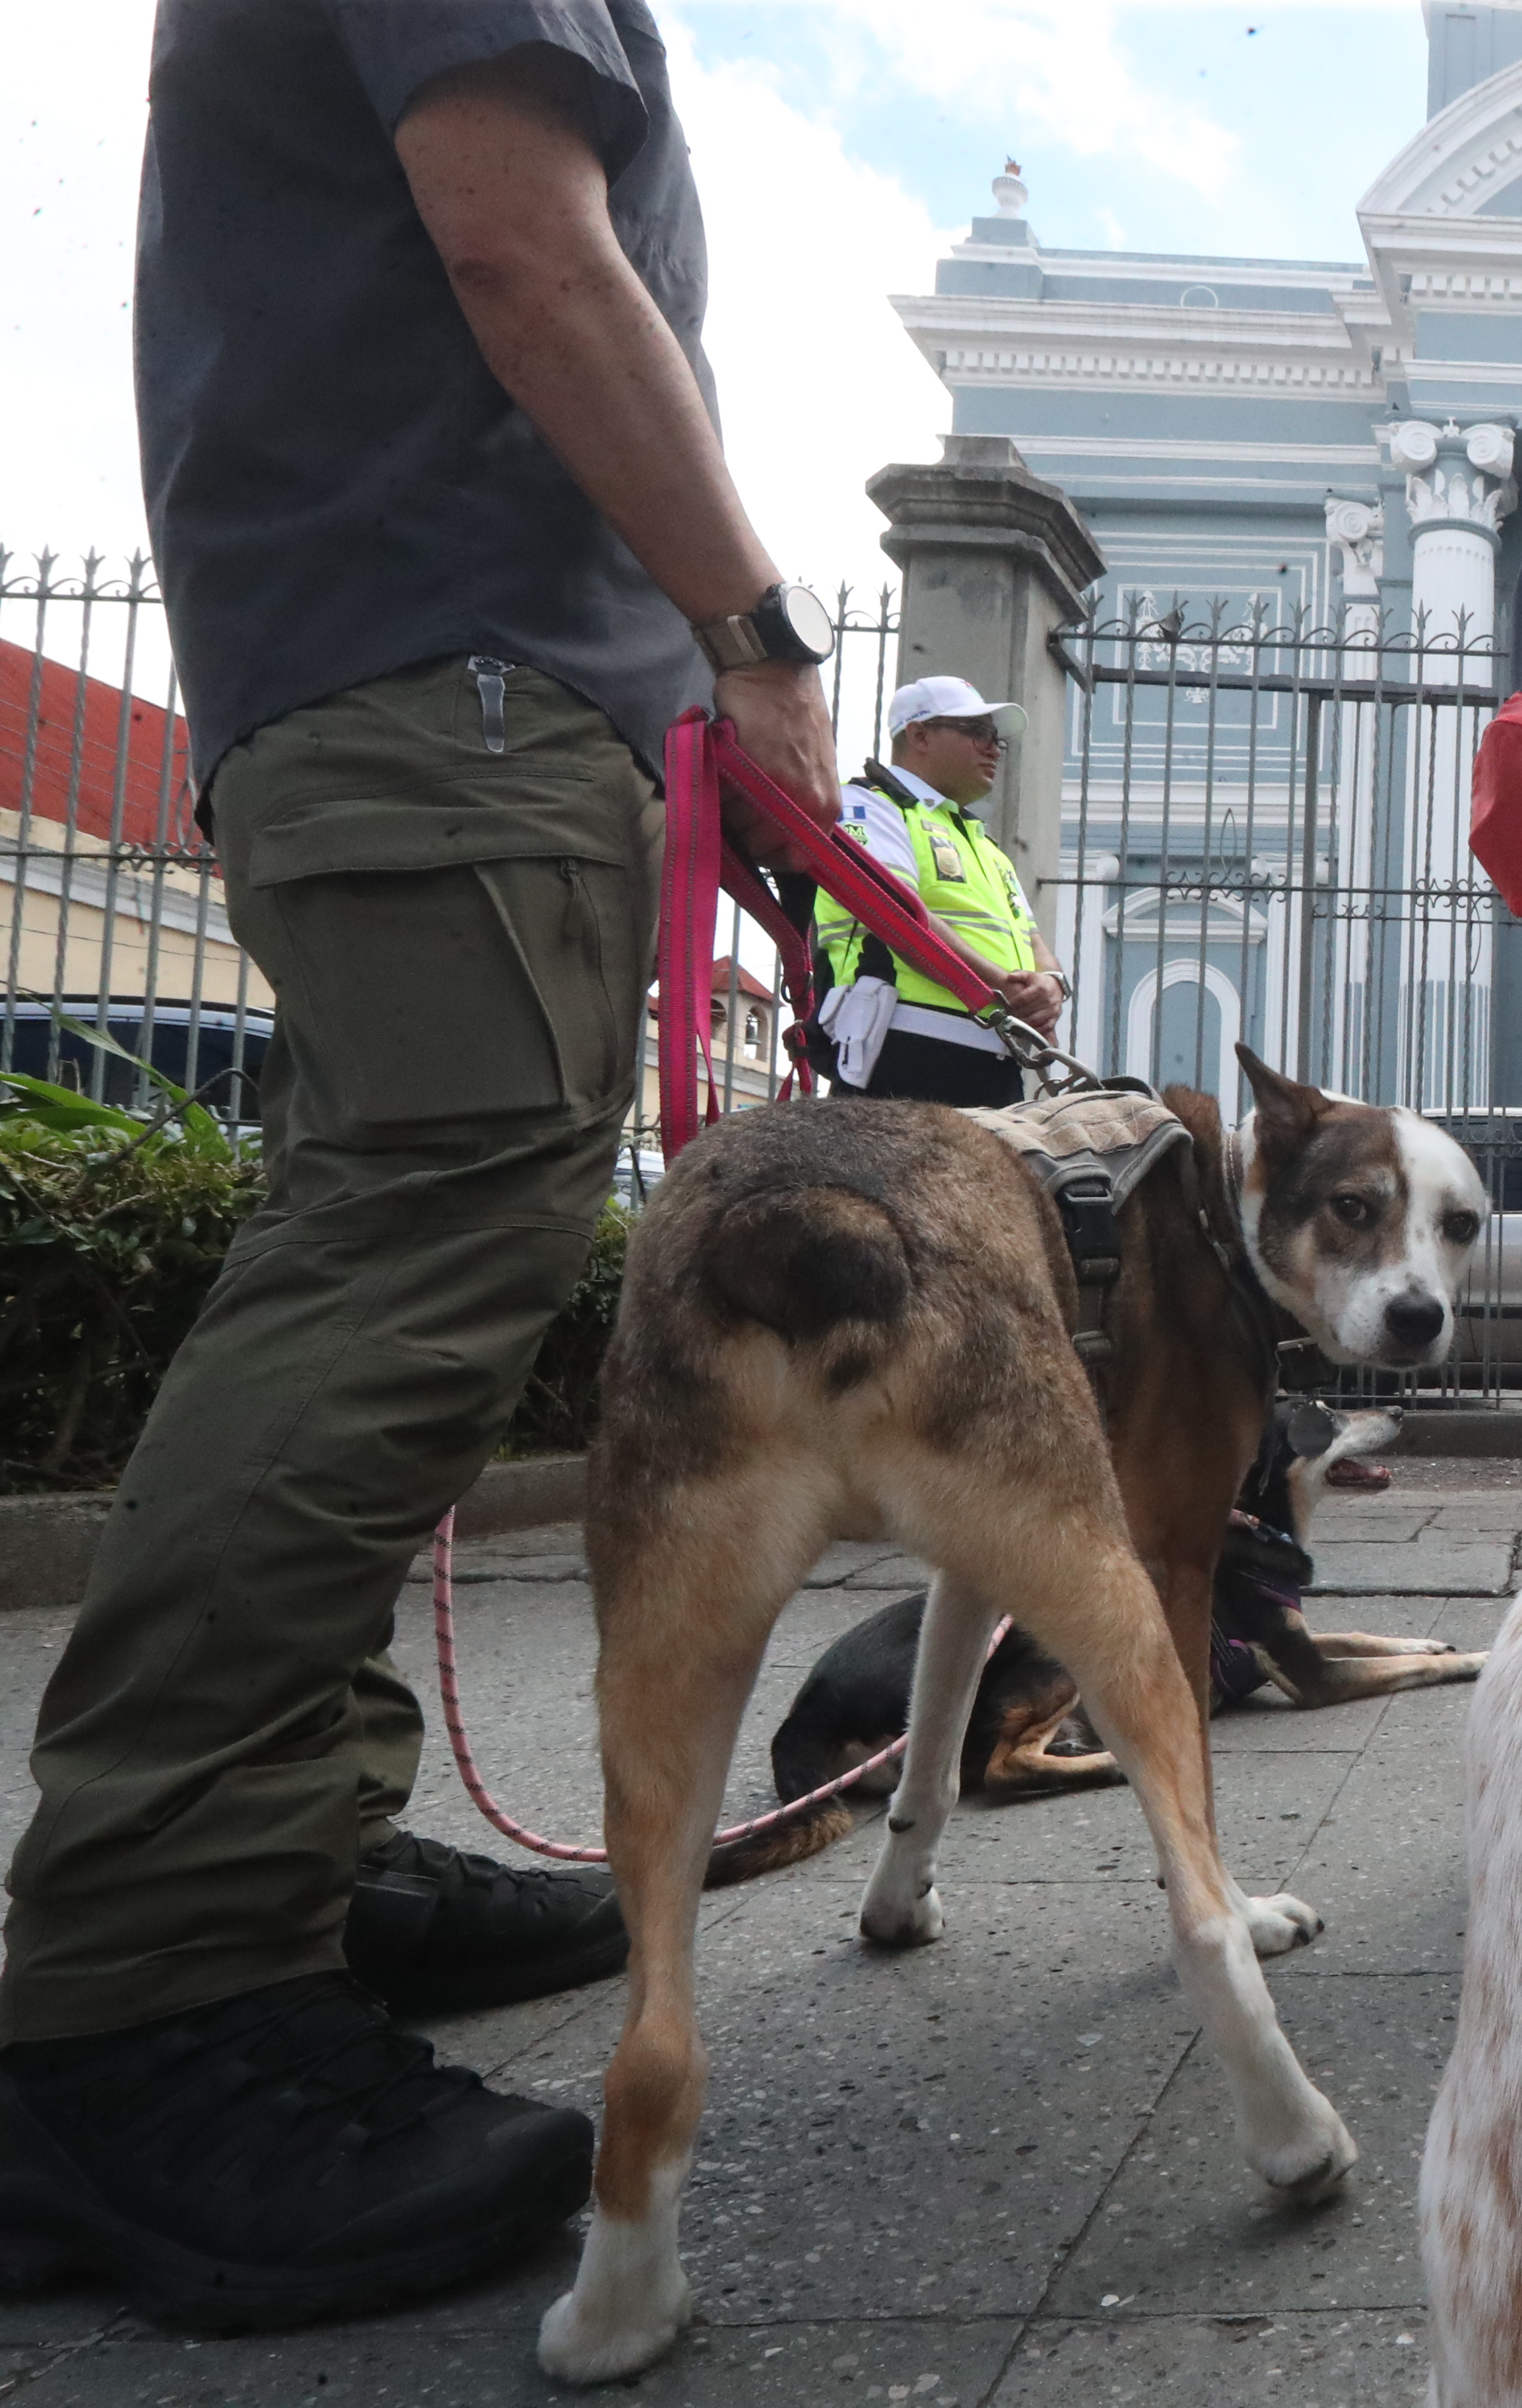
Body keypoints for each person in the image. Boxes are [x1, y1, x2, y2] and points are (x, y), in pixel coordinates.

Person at [0, 0, 844, 2321]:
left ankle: (291, 1842)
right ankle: (145, 1978)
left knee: (396, 1237)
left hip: (425, 670)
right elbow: (524, 246)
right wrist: (752, 634)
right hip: (453, 677)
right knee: (416, 1243)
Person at [817, 675, 1066, 1106]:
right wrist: (1004, 989)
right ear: (919, 735)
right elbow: (898, 917)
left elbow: (1034, 940)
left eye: (997, 739)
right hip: (905, 1053)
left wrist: (1052, 985)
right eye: (976, 733)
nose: (993, 748)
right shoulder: (870, 806)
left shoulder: (984, 845)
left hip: (997, 1064)